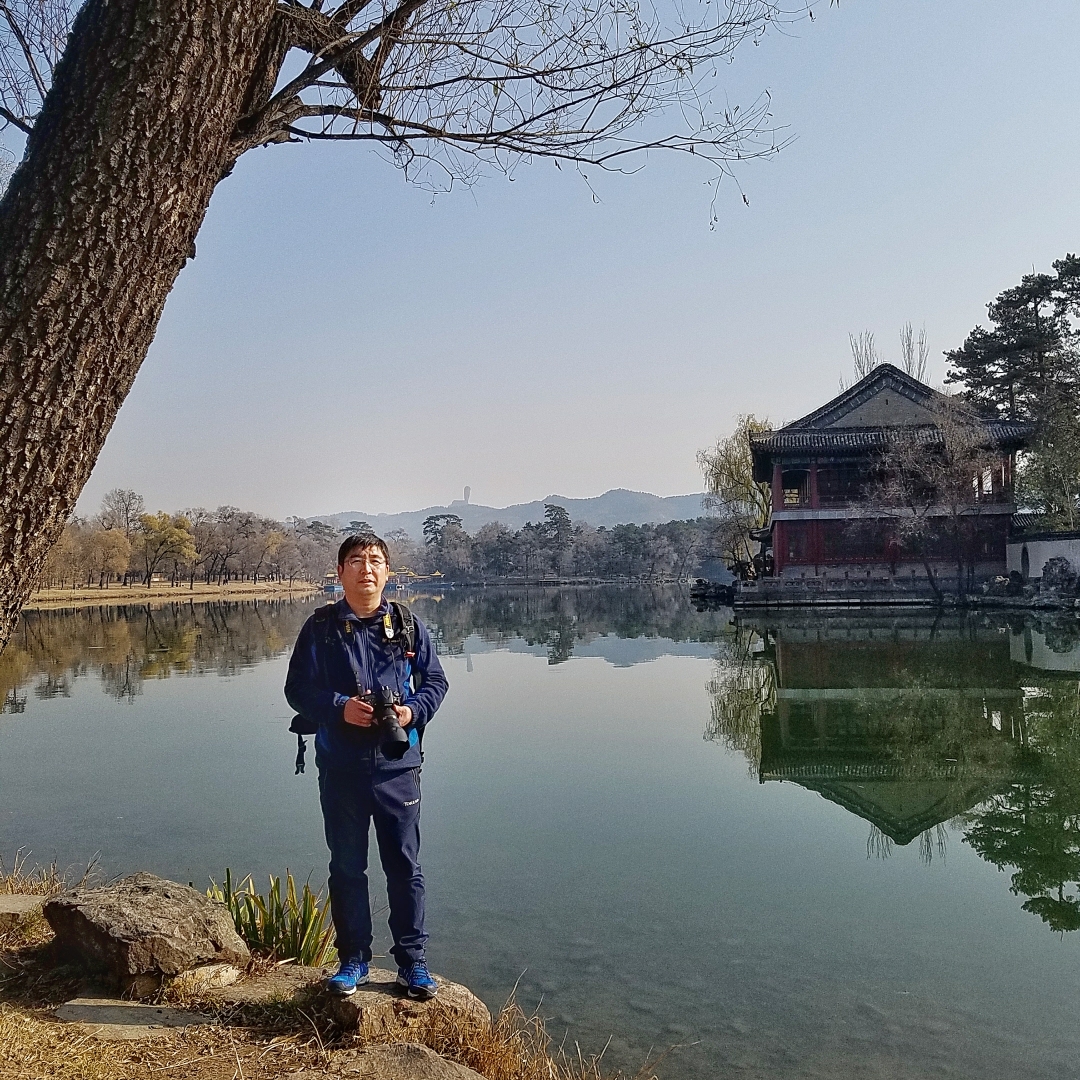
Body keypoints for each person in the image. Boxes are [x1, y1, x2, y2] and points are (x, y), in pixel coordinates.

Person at [285, 533, 448, 999]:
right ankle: (353, 961)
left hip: (398, 767)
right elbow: (297, 690)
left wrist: (410, 712)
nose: (366, 569)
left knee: (404, 866)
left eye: (375, 561)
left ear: (388, 572)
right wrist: (340, 707)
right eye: (355, 561)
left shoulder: (409, 625)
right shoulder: (319, 628)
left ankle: (412, 963)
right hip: (341, 767)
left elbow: (436, 681)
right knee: (347, 868)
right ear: (340, 573)